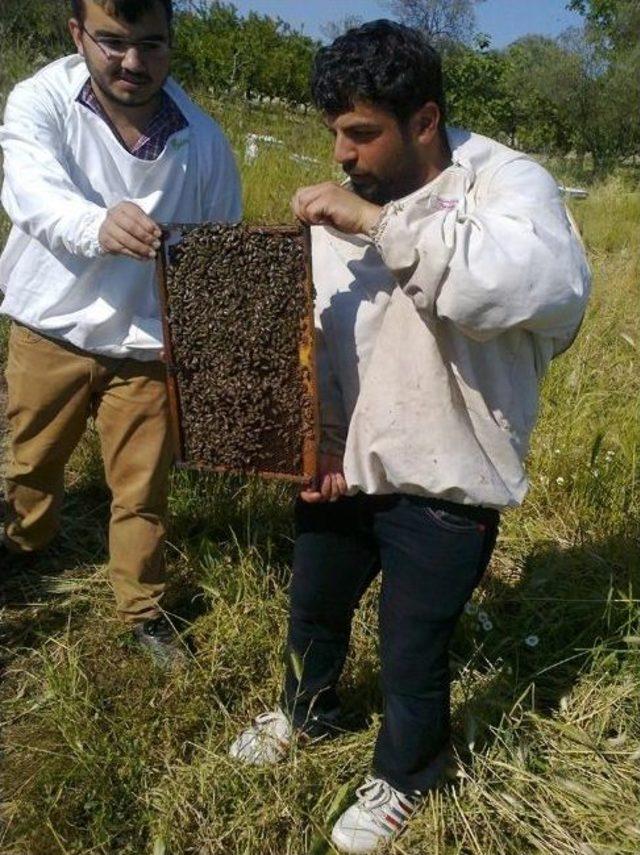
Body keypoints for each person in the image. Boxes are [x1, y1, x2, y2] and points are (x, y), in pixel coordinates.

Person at [229, 19, 591, 854]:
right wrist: (315, 437)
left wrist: (372, 222)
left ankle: (406, 773)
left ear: (424, 121)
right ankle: (306, 711)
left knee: (411, 648)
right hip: (350, 462)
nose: (344, 154)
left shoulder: (509, 184)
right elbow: (322, 330)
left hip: (449, 474)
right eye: (336, 135)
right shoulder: (355, 199)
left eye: (361, 133)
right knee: (313, 608)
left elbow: (528, 288)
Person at [0, 0, 241, 665]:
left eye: (151, 45)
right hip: (50, 324)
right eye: (112, 42)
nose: (133, 62)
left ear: (171, 41)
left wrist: (209, 343)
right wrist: (97, 226)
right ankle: (26, 546)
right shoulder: (39, 102)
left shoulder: (204, 140)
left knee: (143, 488)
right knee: (30, 458)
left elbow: (219, 245)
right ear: (77, 32)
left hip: (145, 344)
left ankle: (143, 607)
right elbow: (31, 191)